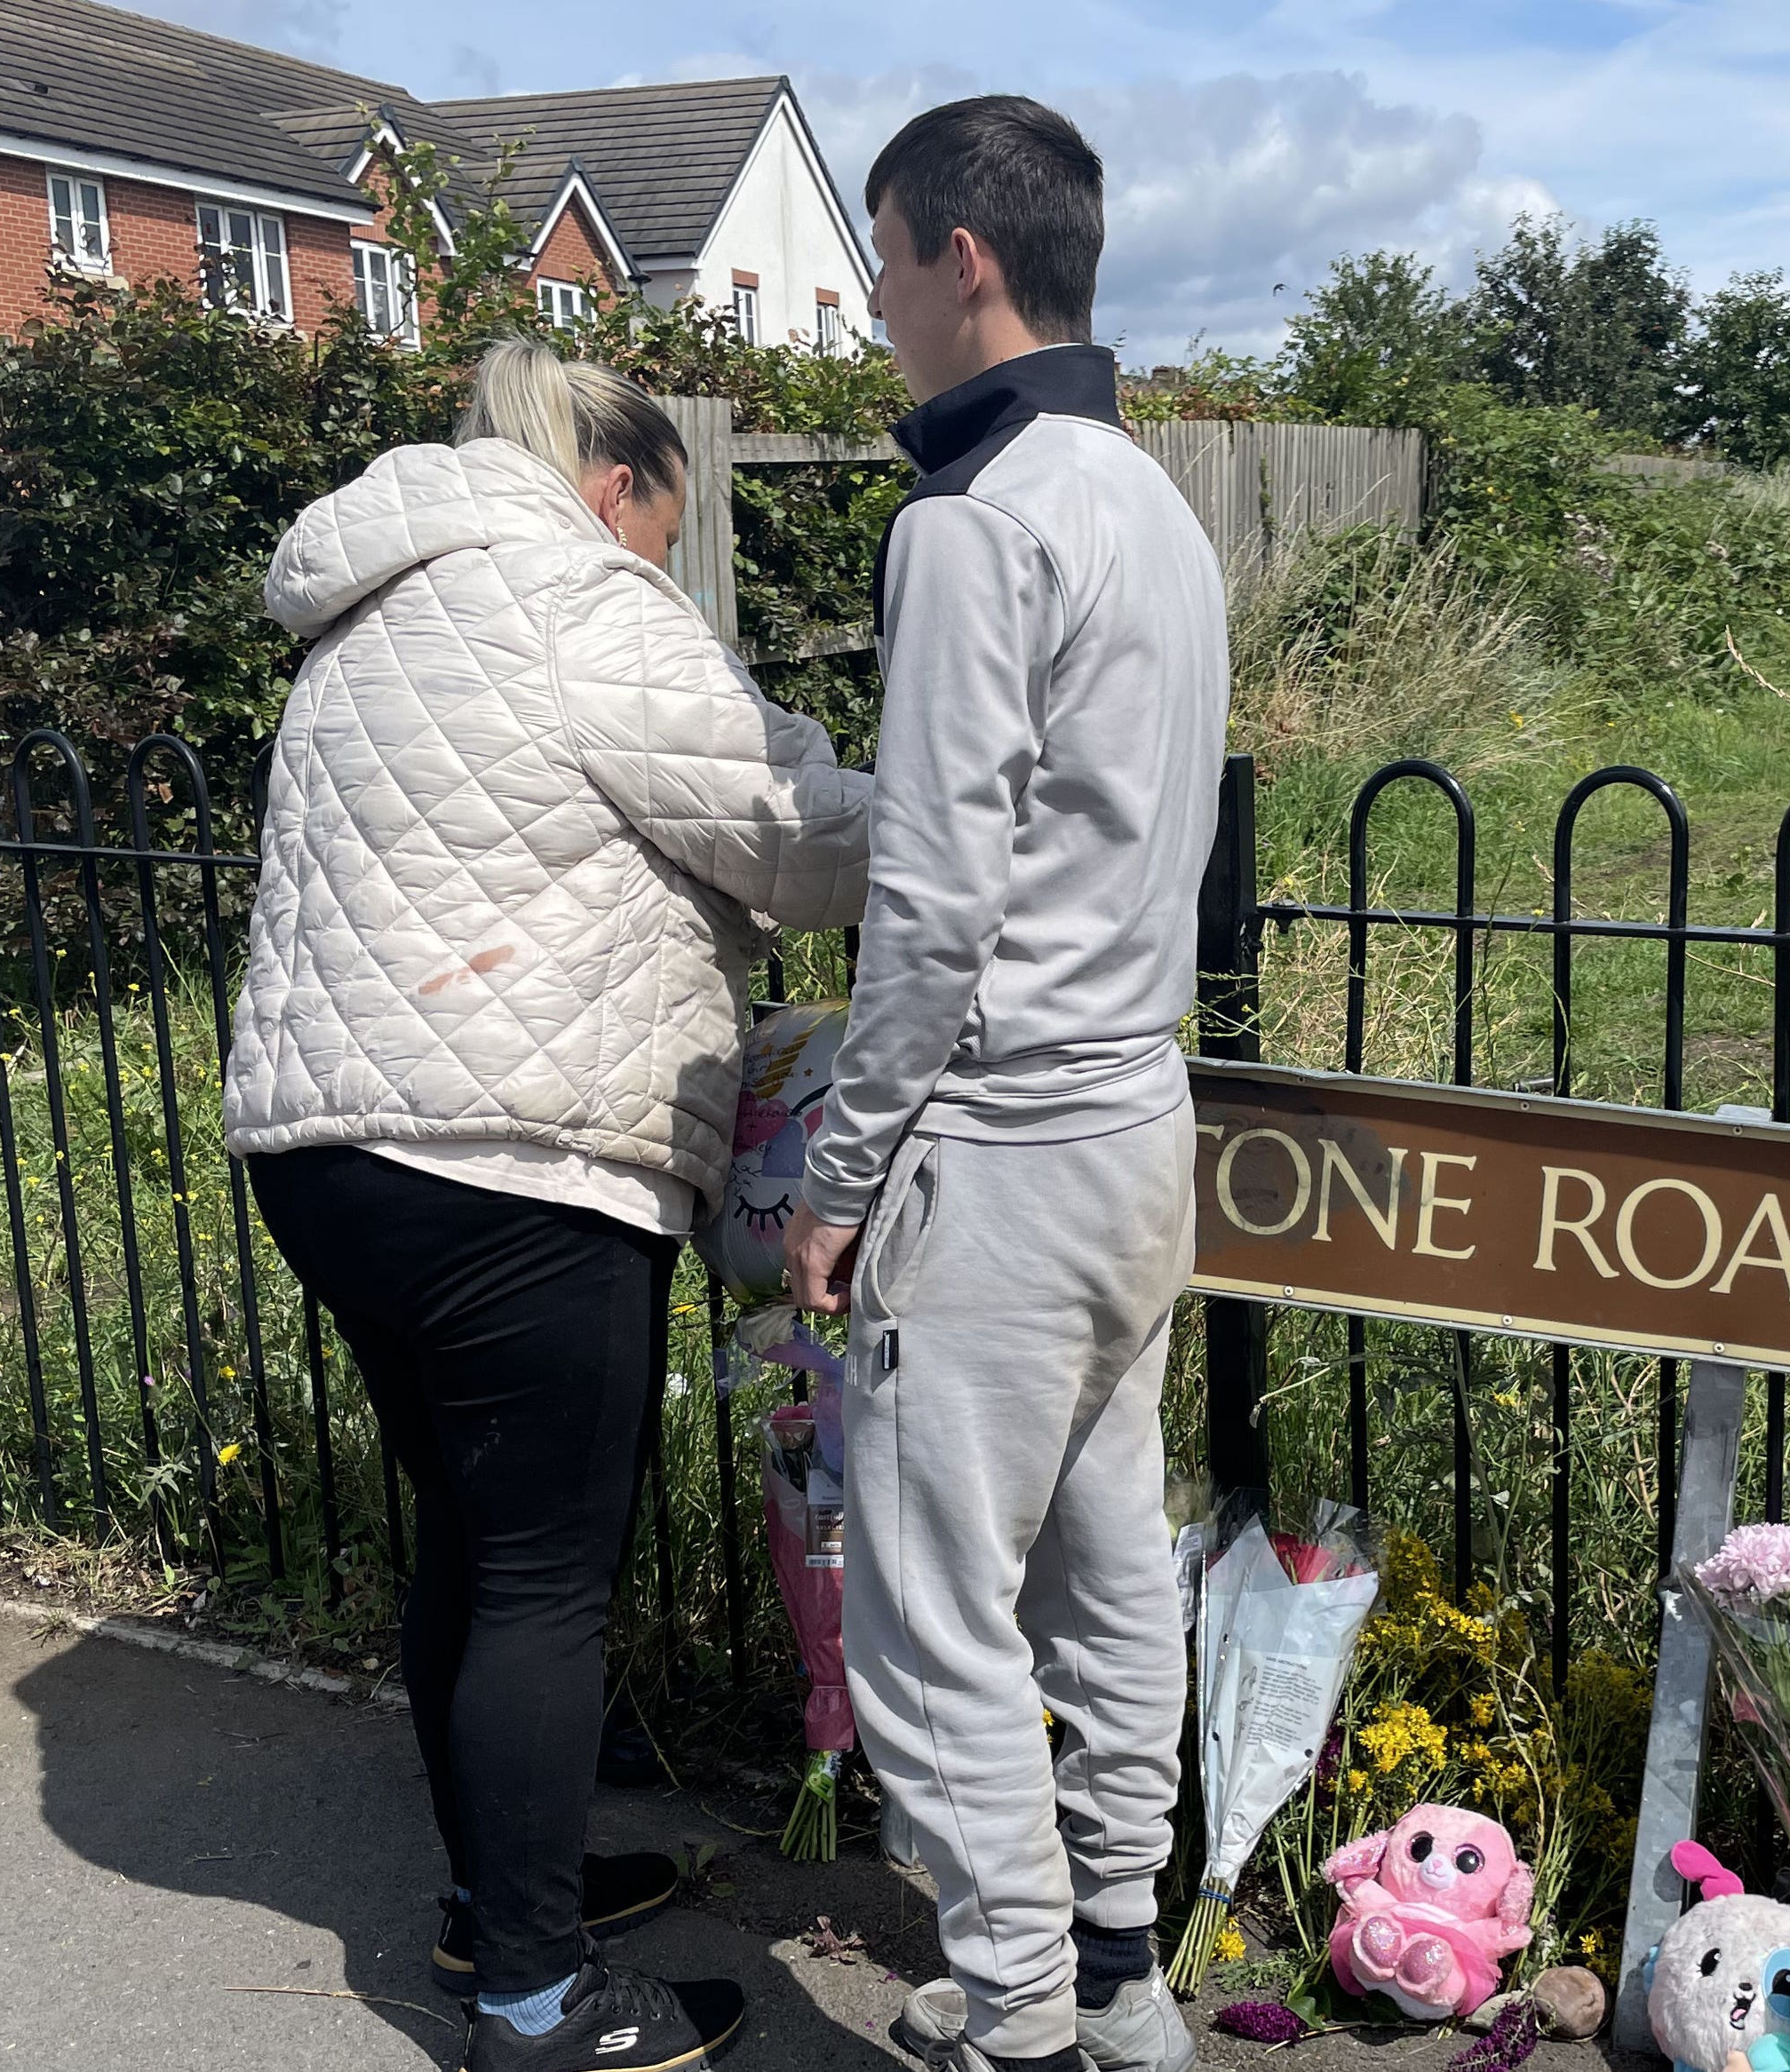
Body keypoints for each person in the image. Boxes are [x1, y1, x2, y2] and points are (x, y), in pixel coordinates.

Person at [227, 337, 871, 2072]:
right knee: (538, 1583)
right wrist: (972, 825)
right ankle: (531, 2004)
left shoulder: (374, 609)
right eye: (665, 535)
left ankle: (499, 1898)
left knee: (478, 1543)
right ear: (617, 487)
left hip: (329, 1154)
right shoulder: (577, 599)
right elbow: (792, 834)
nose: (664, 566)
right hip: (507, 1157)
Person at [776, 96, 1227, 2072]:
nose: (875, 303)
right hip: (1141, 1121)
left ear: (964, 257)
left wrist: (836, 1174)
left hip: (1006, 1142)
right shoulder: (1151, 500)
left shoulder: (976, 523)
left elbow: (933, 907)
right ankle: (1120, 1968)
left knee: (936, 1618)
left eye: (882, 258)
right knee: (1112, 1555)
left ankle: (1021, 2028)